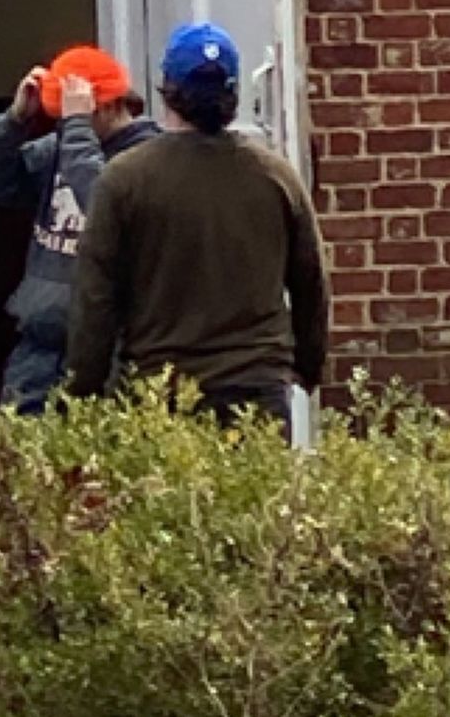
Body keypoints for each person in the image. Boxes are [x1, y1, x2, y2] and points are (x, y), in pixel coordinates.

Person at [64, 22, 326, 423]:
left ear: (167, 90)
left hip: (160, 393)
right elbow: (310, 282)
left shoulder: (124, 179)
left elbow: (95, 296)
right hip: (256, 391)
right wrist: (307, 366)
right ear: (233, 94)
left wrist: (82, 390)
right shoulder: (276, 177)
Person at [0, 42, 155, 413]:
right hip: (39, 348)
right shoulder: (59, 148)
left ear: (107, 106)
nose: (64, 125)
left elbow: (101, 202)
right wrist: (15, 122)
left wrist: (76, 128)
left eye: (73, 115)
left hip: (110, 353)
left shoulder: (146, 158)